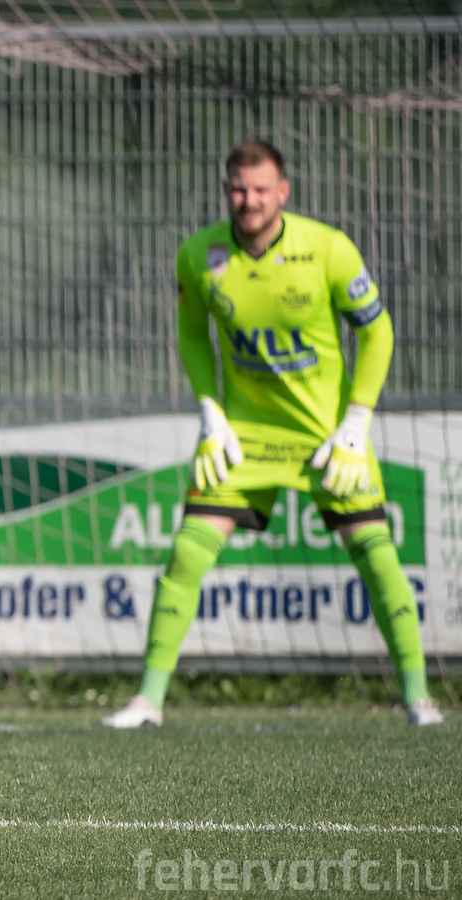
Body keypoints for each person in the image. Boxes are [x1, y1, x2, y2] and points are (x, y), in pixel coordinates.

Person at [102, 140, 442, 729]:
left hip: (328, 438)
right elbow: (191, 336)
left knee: (378, 555)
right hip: (245, 438)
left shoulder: (328, 249)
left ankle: (420, 700)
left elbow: (378, 332)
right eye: (239, 188)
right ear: (225, 190)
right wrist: (210, 413)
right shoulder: (198, 255)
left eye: (261, 189)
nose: (249, 200)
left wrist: (356, 423)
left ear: (283, 191)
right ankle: (147, 702)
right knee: (187, 552)